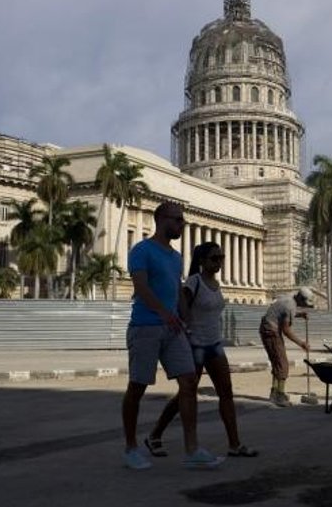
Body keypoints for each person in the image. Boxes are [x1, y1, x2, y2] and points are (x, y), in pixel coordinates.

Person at [121, 201, 223, 471]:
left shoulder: (176, 257)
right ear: (162, 219)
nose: (182, 224)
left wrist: (185, 316)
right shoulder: (142, 250)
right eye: (178, 220)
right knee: (137, 387)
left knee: (189, 383)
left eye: (182, 220)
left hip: (174, 328)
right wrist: (162, 313)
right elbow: (140, 287)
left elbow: (176, 290)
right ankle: (131, 448)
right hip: (146, 326)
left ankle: (193, 449)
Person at [145, 242, 258, 458]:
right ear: (202, 261)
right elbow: (180, 307)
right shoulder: (193, 283)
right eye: (214, 258)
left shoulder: (216, 283)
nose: (219, 262)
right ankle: (155, 434)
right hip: (194, 345)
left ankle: (235, 444)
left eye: (221, 257)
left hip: (214, 345)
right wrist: (184, 334)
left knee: (226, 393)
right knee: (185, 395)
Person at [259, 287, 313, 407]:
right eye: (305, 302)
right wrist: (302, 343)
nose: (305, 305)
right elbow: (286, 330)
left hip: (268, 329)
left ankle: (274, 392)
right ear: (300, 298)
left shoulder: (289, 299)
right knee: (282, 364)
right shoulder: (290, 306)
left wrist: (299, 314)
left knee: (277, 363)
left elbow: (284, 314)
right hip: (271, 332)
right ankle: (279, 395)